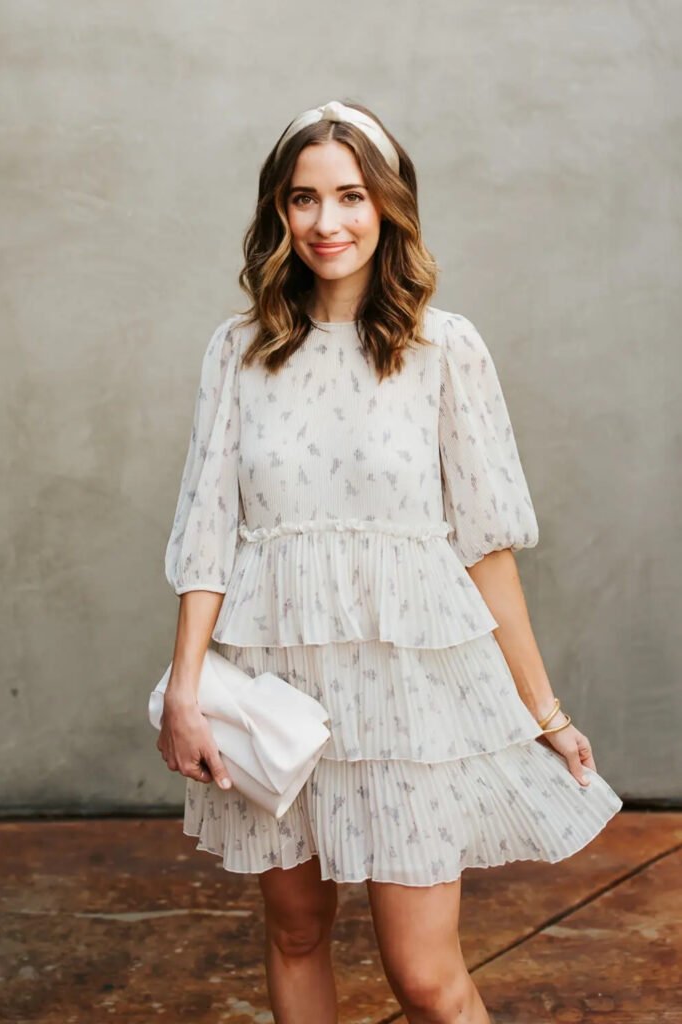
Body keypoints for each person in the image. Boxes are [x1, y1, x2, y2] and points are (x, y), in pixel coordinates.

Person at [156, 99, 623, 1024]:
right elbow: (205, 534)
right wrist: (183, 691)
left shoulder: (444, 349)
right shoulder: (238, 350)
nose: (327, 223)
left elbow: (484, 547)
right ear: (276, 213)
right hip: (272, 684)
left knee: (425, 977)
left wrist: (545, 712)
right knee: (294, 934)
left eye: (350, 196)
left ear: (390, 206)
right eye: (302, 199)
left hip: (408, 701)